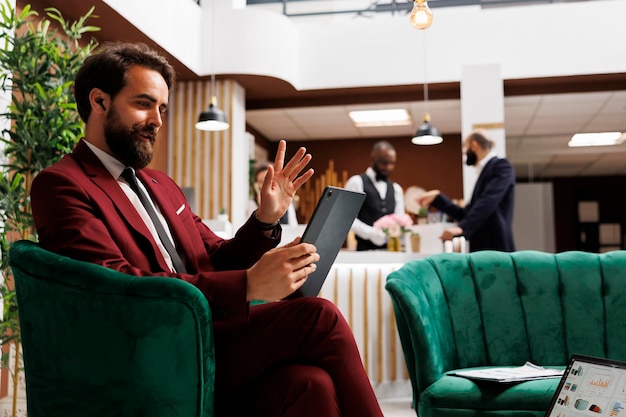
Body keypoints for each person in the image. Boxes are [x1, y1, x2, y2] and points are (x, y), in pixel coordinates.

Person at [30, 42, 384, 417]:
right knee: (318, 316)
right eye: (144, 104)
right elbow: (115, 289)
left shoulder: (161, 185)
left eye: (162, 108)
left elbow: (214, 257)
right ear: (99, 101)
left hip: (210, 334)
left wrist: (265, 218)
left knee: (312, 384)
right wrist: (248, 284)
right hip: (154, 349)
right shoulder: (61, 184)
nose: (158, 120)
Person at [418, 129, 515, 252]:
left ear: (474, 146)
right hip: (481, 248)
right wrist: (438, 198)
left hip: (496, 247)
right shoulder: (484, 171)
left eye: (465, 147)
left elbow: (488, 201)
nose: (464, 152)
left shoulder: (501, 166)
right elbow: (467, 214)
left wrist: (462, 227)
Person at [344, 140, 405, 251]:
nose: (388, 167)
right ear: (372, 159)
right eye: (384, 162)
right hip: (363, 250)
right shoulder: (356, 182)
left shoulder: (396, 188)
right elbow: (347, 217)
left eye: (392, 163)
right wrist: (371, 233)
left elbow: (399, 218)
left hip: (391, 250)